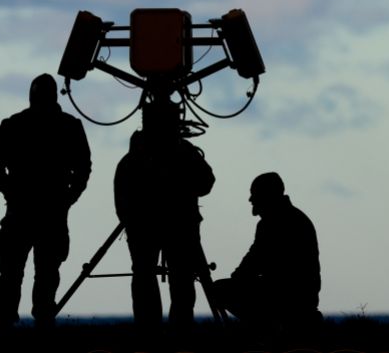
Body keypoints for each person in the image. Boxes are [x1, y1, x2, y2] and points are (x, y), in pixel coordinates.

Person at [0, 73, 92, 328]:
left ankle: (10, 325)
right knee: (42, 273)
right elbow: (83, 167)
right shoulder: (69, 126)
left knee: (17, 273)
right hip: (48, 212)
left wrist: (8, 189)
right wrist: (69, 197)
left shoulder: (14, 125)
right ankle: (40, 323)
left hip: (26, 211)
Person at [113, 127, 215, 334]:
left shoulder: (132, 159)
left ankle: (150, 332)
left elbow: (121, 197)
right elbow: (206, 183)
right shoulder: (182, 152)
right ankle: (179, 331)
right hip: (177, 226)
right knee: (180, 278)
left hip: (148, 227)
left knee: (149, 276)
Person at [214, 172, 321, 333]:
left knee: (219, 290)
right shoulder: (292, 218)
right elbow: (254, 260)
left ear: (267, 195)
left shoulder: (275, 223)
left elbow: (254, 262)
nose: (251, 200)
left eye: (254, 195)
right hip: (300, 295)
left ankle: (268, 330)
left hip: (287, 295)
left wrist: (238, 278)